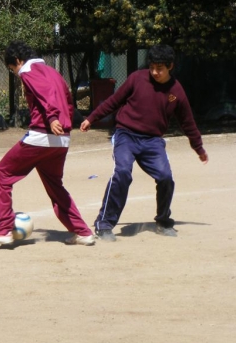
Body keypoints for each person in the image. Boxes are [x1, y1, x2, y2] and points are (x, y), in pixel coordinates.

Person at [80, 44, 209, 241]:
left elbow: (188, 123)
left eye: (160, 68)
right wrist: (91, 118)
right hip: (126, 135)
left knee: (166, 177)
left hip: (152, 141)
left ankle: (163, 221)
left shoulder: (177, 92)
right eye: (152, 67)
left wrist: (198, 148)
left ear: (170, 67)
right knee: (122, 172)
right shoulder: (136, 78)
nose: (155, 72)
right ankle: (104, 224)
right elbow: (114, 101)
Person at [0, 41, 95, 245]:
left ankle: (3, 229)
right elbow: (67, 100)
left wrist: (52, 117)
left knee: (2, 174)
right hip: (62, 138)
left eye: (13, 69)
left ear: (18, 61)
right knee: (55, 186)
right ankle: (82, 232)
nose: (15, 73)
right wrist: (69, 120)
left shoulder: (28, 70)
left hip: (42, 135)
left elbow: (45, 93)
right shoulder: (53, 72)